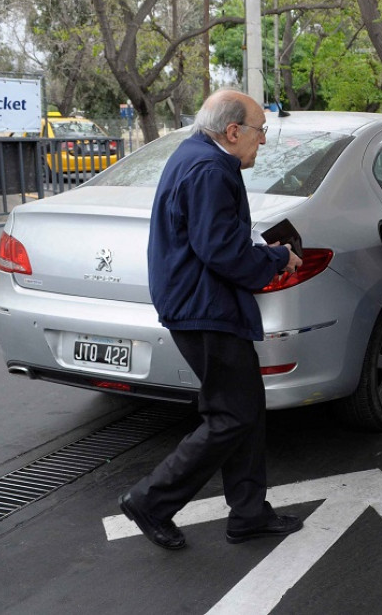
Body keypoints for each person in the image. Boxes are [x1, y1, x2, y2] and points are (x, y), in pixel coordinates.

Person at [118, 89, 303, 550]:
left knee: (243, 411)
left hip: (203, 303)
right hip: (205, 308)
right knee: (231, 415)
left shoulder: (198, 155)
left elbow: (213, 237)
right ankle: (151, 500)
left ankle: (248, 514)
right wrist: (277, 257)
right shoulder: (209, 169)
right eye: (260, 131)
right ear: (233, 130)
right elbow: (221, 250)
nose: (263, 141)